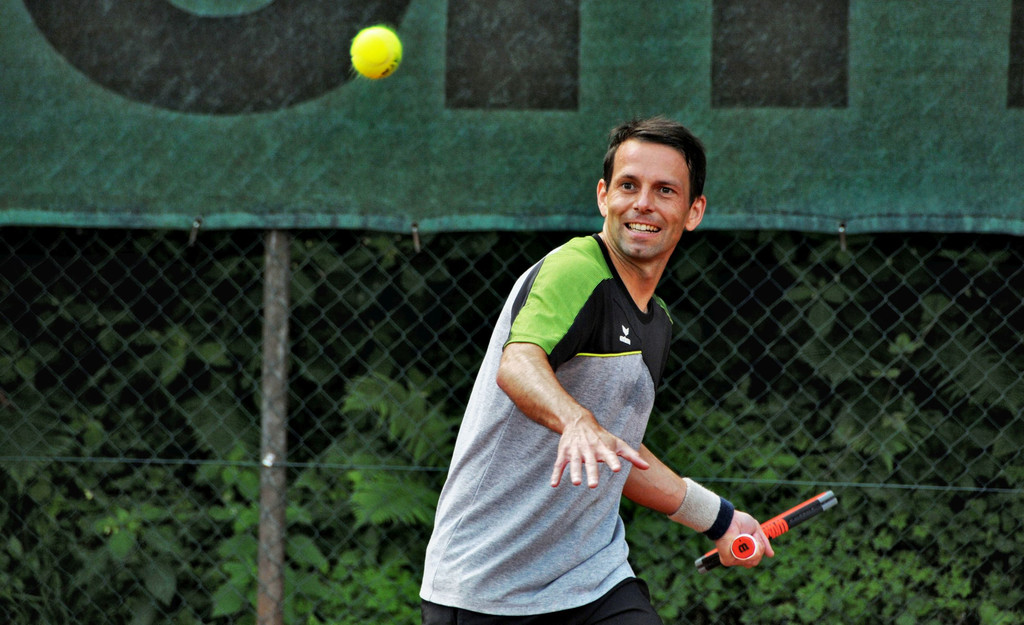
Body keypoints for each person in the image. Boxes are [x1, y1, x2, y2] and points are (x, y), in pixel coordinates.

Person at [420, 116, 774, 624]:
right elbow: (518, 363)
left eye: (665, 190)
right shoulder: (576, 270)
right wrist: (576, 420)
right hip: (487, 586)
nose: (643, 203)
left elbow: (618, 453)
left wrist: (719, 519)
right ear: (604, 196)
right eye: (628, 186)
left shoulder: (657, 324)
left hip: (592, 579)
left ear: (694, 211)